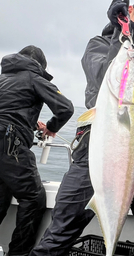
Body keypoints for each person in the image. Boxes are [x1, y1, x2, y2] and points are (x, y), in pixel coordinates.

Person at [30, 0, 134, 256]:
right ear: (129, 13)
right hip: (97, 145)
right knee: (64, 224)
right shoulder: (99, 45)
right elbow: (104, 78)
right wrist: (119, 32)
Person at [0, 45, 74, 256]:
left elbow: (8, 110)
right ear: (39, 67)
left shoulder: (3, 79)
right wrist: (51, 127)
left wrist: (32, 124)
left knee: (1, 197)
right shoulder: (34, 78)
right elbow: (66, 108)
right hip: (9, 144)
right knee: (33, 198)